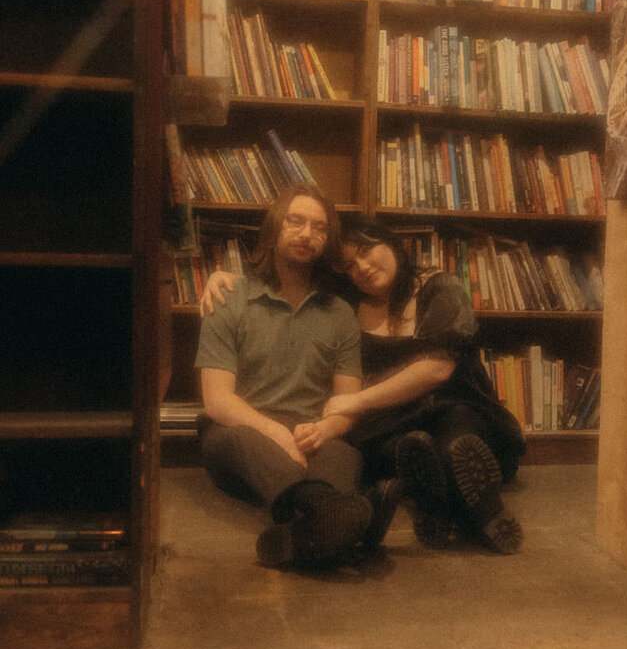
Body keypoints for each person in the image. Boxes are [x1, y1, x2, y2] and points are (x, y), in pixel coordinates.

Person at [202, 214, 525, 554]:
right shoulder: (346, 304)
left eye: (368, 250)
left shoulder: (440, 287)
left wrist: (356, 401)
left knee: (453, 445)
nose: (364, 267)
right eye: (351, 265)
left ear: (392, 243)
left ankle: (478, 511)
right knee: (390, 450)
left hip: (450, 406)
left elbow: (437, 369)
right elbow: (288, 277)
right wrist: (225, 277)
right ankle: (429, 500)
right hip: (390, 422)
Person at [195, 184, 391, 569]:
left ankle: (302, 536)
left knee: (345, 453)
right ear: (274, 228)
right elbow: (218, 401)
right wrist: (276, 433)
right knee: (242, 439)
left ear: (328, 241)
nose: (307, 234)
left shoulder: (339, 314)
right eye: (296, 222)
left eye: (319, 228)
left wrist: (324, 431)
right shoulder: (229, 297)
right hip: (238, 433)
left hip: (309, 434)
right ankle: (352, 517)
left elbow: (345, 405)